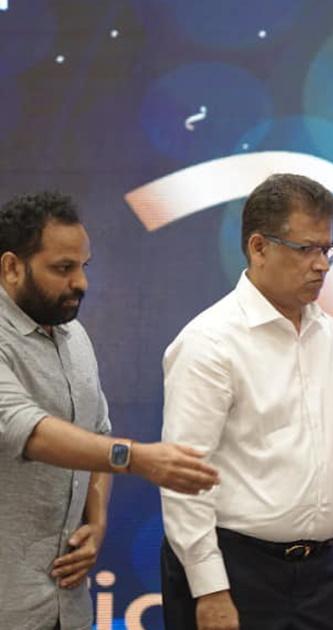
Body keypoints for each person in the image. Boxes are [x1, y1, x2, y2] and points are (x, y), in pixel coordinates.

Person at [159, 174, 333, 630]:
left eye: (328, 249)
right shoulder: (208, 342)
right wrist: (209, 587)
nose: (322, 265)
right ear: (259, 247)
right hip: (234, 568)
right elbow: (183, 477)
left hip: (320, 573)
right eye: (306, 249)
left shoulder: (332, 336)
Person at [0, 191, 219, 630]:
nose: (81, 282)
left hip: (68, 606)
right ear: (11, 267)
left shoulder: (74, 336)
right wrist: (136, 458)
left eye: (84, 266)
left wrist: (97, 523)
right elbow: (26, 428)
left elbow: (97, 432)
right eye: (63, 268)